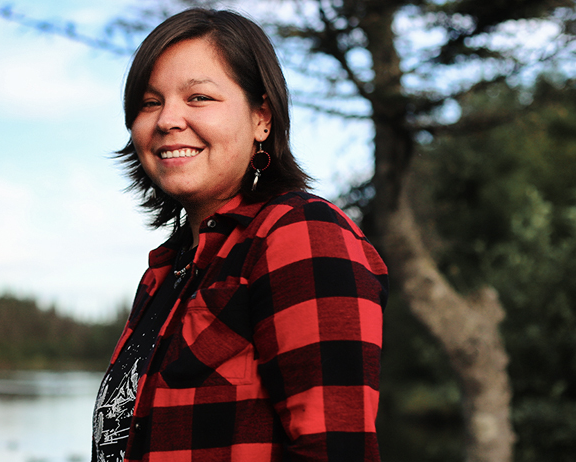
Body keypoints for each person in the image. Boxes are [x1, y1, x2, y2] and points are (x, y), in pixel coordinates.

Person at [92, 8, 389, 462]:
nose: (168, 119)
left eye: (198, 98)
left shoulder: (300, 234)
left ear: (261, 118)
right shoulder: (168, 273)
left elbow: (335, 450)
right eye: (150, 103)